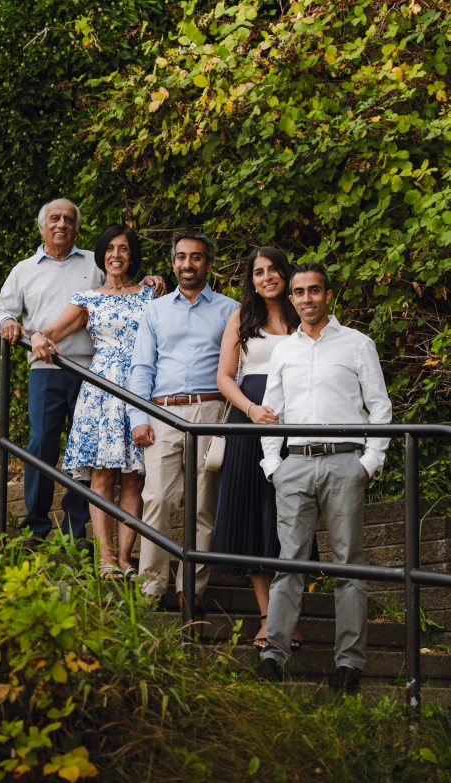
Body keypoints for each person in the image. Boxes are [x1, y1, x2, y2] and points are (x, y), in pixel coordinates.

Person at [0, 199, 165, 547]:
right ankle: (35, 528)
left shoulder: (93, 263)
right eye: (55, 218)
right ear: (42, 225)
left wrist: (150, 280)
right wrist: (9, 322)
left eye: (69, 219)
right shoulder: (24, 269)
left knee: (86, 451)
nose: (62, 224)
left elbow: (121, 288)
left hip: (92, 372)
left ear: (76, 227)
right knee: (41, 446)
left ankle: (75, 529)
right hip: (46, 367)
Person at [257, 262, 392, 690]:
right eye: (299, 292)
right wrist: (273, 465)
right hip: (294, 464)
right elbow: (270, 413)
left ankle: (349, 663)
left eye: (314, 290)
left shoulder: (357, 344)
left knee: (349, 564)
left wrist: (369, 462)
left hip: (344, 462)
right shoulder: (284, 351)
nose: (307, 299)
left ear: (327, 295)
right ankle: (273, 655)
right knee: (288, 563)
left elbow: (381, 406)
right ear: (292, 298)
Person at [30, 225, 155, 578]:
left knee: (134, 479)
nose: (117, 255)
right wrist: (38, 336)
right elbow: (50, 333)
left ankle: (127, 559)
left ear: (133, 256)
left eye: (124, 249)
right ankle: (105, 558)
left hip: (140, 388)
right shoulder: (88, 298)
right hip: (101, 391)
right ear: (101, 255)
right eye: (111, 249)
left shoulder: (150, 294)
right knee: (102, 475)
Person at [213, 247, 319, 649]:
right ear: (251, 280)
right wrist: (251, 409)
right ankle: (266, 619)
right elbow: (224, 377)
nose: (267, 277)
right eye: (258, 272)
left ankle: (289, 616)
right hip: (252, 419)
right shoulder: (242, 318)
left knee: (289, 515)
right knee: (254, 515)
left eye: (274, 269)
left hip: (297, 422)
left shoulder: (301, 315)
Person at [128, 230, 239, 610]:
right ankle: (151, 588)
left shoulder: (230, 309)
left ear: (208, 263)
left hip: (210, 411)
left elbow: (238, 369)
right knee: (157, 498)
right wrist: (138, 417)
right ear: (173, 262)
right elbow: (141, 367)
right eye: (180, 257)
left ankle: (190, 589)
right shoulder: (155, 310)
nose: (186, 264)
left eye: (195, 257)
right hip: (161, 412)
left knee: (203, 505)